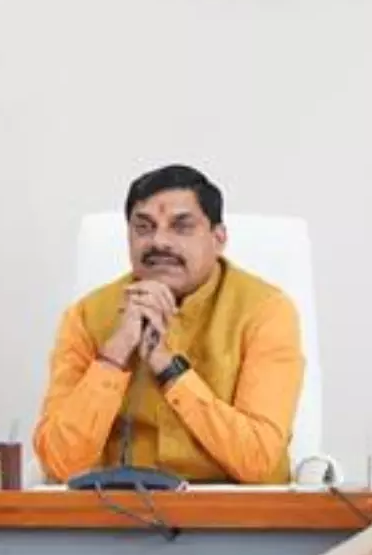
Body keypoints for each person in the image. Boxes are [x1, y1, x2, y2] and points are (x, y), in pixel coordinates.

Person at [32, 165, 305, 484]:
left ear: (218, 239)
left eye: (181, 227)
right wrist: (115, 353)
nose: (159, 241)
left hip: (231, 508)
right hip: (120, 507)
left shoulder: (265, 312)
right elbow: (59, 464)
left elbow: (257, 459)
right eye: (143, 227)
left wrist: (168, 367)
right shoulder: (87, 316)